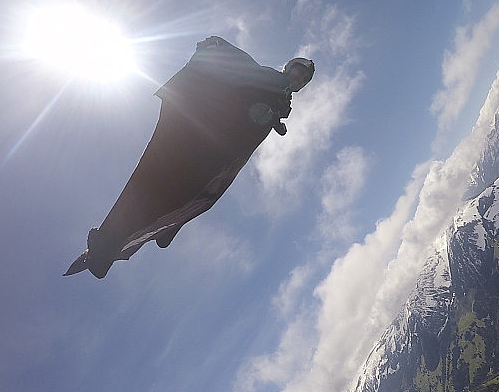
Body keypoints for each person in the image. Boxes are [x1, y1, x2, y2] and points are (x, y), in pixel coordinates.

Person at [64, 36, 315, 278]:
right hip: (208, 136)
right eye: (297, 72)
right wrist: (219, 51)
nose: (299, 79)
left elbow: (256, 112)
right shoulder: (271, 78)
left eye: (304, 79)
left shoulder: (284, 99)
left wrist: (271, 119)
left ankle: (118, 242)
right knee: (159, 178)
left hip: (220, 151)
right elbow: (243, 82)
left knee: (176, 186)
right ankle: (115, 240)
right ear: (288, 68)